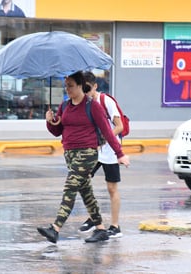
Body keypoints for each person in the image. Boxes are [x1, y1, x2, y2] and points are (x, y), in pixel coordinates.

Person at [37, 71, 130, 244]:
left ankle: (55, 228)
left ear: (81, 86)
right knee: (86, 192)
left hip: (87, 153)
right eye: (66, 86)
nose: (68, 90)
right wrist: (50, 121)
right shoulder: (64, 106)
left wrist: (120, 154)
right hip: (70, 154)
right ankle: (101, 229)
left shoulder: (93, 106)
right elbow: (57, 131)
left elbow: (108, 132)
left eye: (71, 86)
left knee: (70, 187)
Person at [79, 71, 125, 238]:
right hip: (94, 150)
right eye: (82, 89)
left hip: (110, 151)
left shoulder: (106, 101)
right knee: (82, 181)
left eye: (88, 89)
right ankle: (94, 217)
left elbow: (119, 126)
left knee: (111, 188)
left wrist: (105, 137)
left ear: (95, 86)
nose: (85, 93)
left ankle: (115, 226)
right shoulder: (84, 103)